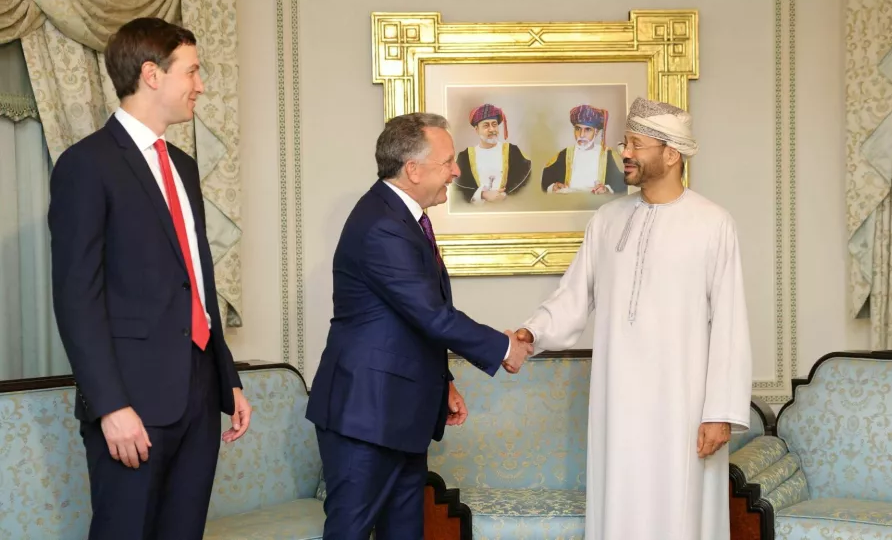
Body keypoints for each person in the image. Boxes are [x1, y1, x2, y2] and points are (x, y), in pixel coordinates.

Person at [48, 17, 252, 540]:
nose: (201, 86)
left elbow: (196, 280)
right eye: (193, 71)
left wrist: (226, 379)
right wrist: (111, 406)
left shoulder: (182, 166)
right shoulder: (85, 165)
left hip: (199, 396)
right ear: (152, 75)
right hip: (132, 402)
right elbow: (77, 298)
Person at [513, 97, 753, 540]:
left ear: (671, 154)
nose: (624, 152)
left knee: (681, 513)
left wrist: (719, 412)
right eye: (625, 142)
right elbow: (573, 294)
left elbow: (731, 323)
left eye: (636, 144)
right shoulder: (607, 219)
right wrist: (531, 332)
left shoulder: (713, 223)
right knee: (619, 505)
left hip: (683, 407)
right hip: (617, 402)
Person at [306, 112, 534, 540]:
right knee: (350, 533)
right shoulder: (381, 225)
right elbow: (431, 314)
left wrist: (442, 381)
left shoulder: (400, 216)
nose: (456, 170)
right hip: (366, 416)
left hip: (399, 413)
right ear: (413, 169)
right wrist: (504, 348)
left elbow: (408, 321)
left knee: (405, 533)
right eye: (447, 161)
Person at [454, 103, 532, 203]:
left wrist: (504, 195)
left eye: (494, 125)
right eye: (486, 125)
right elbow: (459, 189)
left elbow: (525, 181)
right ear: (477, 130)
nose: (492, 129)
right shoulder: (464, 157)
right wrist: (483, 194)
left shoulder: (513, 151)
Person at [541, 104, 625, 194]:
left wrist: (607, 189)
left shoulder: (608, 155)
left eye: (588, 130)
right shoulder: (564, 154)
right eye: (578, 129)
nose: (581, 135)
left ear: (596, 132)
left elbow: (622, 184)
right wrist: (553, 187)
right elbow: (546, 181)